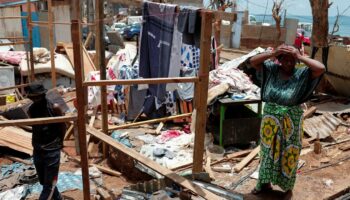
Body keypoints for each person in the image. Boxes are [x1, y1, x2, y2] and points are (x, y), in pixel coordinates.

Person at [248, 45, 325, 197]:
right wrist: (273, 53)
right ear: (279, 60)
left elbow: (321, 68)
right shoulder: (270, 69)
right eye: (285, 59)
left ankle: (287, 188)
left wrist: (300, 56)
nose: (289, 62)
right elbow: (253, 62)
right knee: (267, 152)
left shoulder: (302, 74)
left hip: (292, 120)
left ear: (296, 60)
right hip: (270, 120)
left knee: (289, 153)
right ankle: (263, 184)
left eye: (292, 59)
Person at [25, 83, 66, 200]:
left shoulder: (55, 107)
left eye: (37, 97)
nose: (35, 99)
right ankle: (58, 198)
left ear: (43, 95)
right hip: (37, 149)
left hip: (52, 150)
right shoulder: (31, 110)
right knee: (43, 181)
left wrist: (60, 142)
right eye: (32, 97)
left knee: (48, 186)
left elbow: (63, 126)